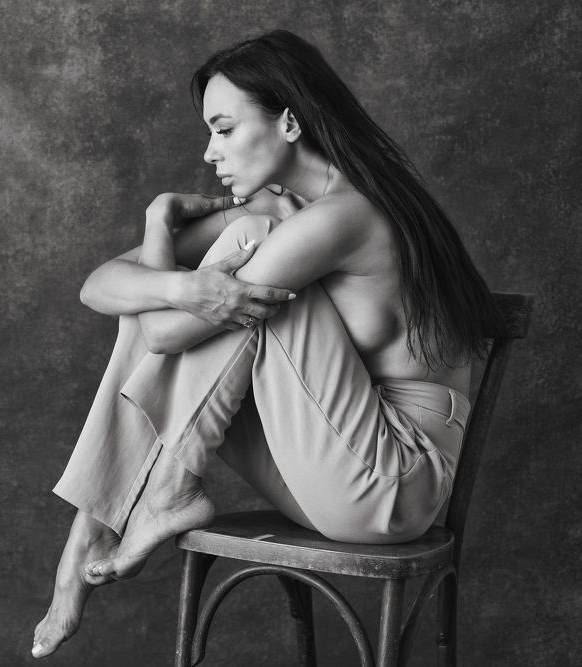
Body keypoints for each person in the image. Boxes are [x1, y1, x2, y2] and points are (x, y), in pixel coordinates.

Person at [31, 29, 502, 659]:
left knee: (225, 259)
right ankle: (114, 520)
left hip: (394, 480)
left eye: (224, 129)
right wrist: (164, 242)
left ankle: (136, 510)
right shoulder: (284, 211)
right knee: (177, 287)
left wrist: (180, 284)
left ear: (290, 122)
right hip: (331, 462)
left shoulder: (343, 216)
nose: (209, 152)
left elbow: (163, 335)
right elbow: (101, 287)